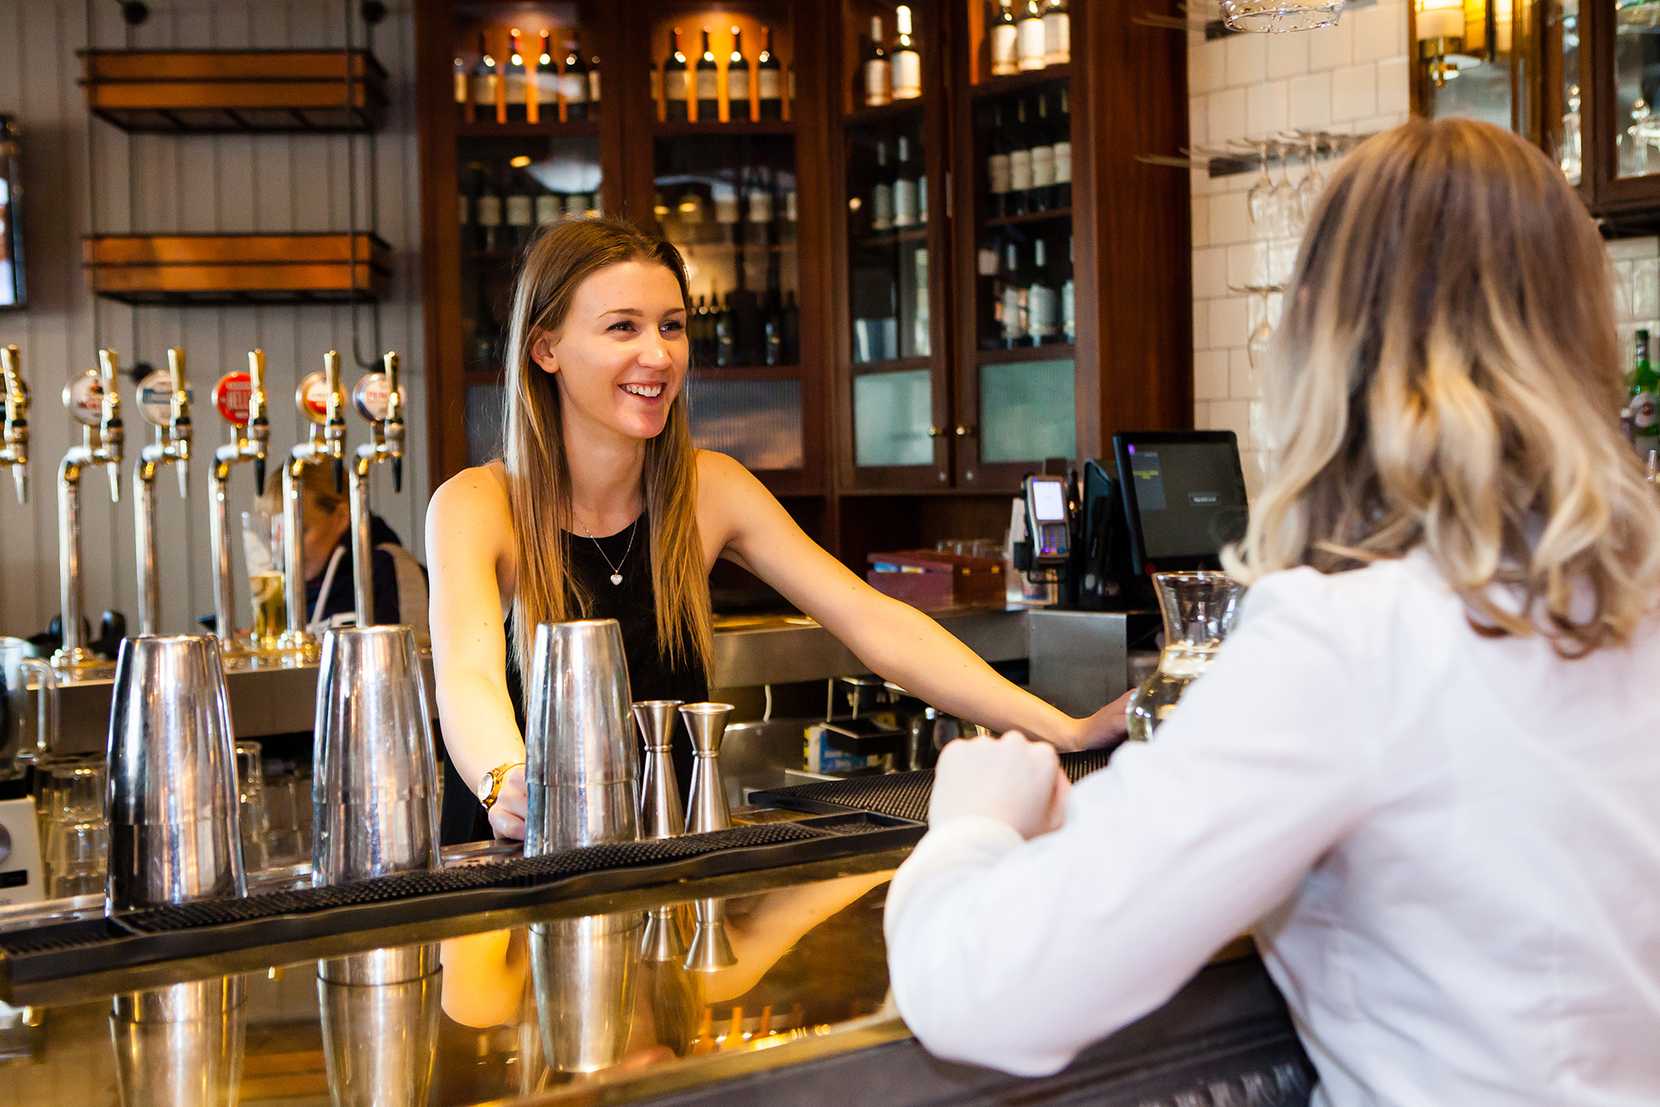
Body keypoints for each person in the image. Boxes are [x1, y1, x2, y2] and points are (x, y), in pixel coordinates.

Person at [884, 118, 1660, 1103]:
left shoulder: (1348, 640)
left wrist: (970, 823)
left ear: (1326, 336)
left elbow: (985, 991)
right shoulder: (1624, 597)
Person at [425, 216, 1124, 846]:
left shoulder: (709, 490)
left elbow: (875, 622)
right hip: (508, 866)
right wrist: (503, 778)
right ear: (545, 349)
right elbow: (467, 675)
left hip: (664, 858)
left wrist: (1065, 729)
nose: (660, 355)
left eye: (671, 325)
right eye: (623, 327)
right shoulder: (478, 505)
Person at [258, 463, 428, 634]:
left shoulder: (389, 569)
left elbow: (412, 654)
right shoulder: (286, 588)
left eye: (300, 531)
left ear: (341, 517)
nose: (287, 548)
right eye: (276, 533)